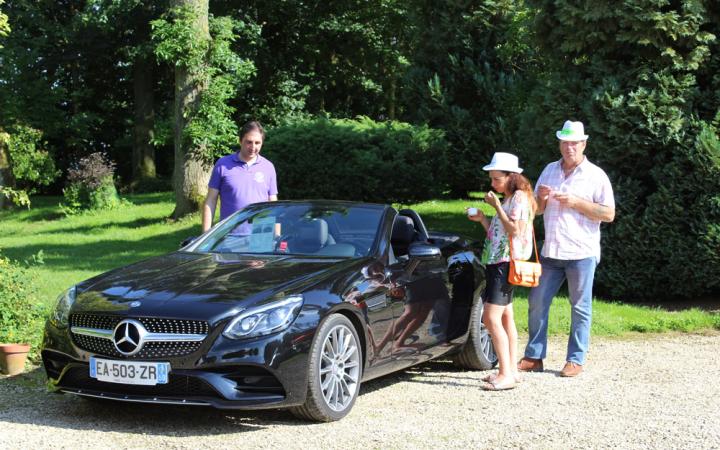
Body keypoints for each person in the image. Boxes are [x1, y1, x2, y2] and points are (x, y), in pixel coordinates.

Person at [518, 120, 615, 377]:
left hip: (582, 252)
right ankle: (534, 356)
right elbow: (535, 211)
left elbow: (608, 214)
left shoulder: (596, 175)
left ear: (583, 144)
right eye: (565, 142)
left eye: (575, 143)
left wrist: (575, 202)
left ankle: (575, 359)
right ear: (560, 144)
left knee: (580, 307)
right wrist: (541, 199)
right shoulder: (549, 170)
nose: (569, 147)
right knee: (537, 301)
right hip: (552, 251)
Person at [467, 152, 536, 391]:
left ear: (511, 176)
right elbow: (498, 234)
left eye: (497, 179)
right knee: (506, 317)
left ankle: (506, 373)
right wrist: (484, 219)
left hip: (504, 264)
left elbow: (514, 230)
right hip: (499, 261)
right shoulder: (511, 198)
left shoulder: (517, 198)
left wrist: (496, 205)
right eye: (492, 179)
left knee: (490, 318)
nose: (493, 184)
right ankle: (510, 371)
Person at [201, 121, 278, 233]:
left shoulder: (268, 167)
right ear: (240, 141)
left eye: (257, 143)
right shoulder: (223, 164)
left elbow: (273, 203)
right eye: (249, 142)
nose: (253, 147)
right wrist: (205, 234)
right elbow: (211, 200)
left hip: (260, 235)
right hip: (230, 235)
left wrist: (277, 235)